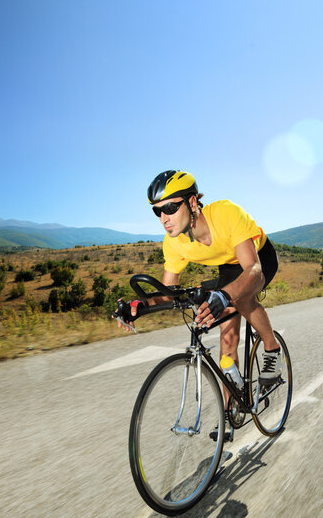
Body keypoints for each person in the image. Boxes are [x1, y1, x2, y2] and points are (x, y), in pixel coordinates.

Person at [118, 170, 281, 433]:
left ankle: (272, 350)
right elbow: (167, 291)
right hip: (228, 267)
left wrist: (225, 294)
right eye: (157, 211)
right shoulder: (174, 243)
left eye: (170, 208)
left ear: (192, 202)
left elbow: (253, 270)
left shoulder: (226, 214)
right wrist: (140, 307)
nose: (163, 218)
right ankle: (230, 412)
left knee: (239, 300)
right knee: (227, 338)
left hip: (257, 257)